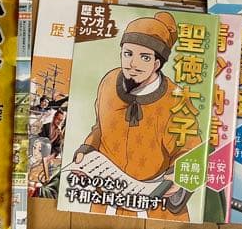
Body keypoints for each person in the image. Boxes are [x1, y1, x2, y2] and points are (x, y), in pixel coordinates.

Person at [72, 11, 200, 216]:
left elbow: (190, 150)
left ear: (157, 64)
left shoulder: (176, 98)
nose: (133, 64)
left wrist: (177, 176)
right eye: (128, 53)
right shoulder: (109, 82)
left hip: (155, 201)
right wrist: (87, 150)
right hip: (106, 195)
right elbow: (100, 127)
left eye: (145, 57)